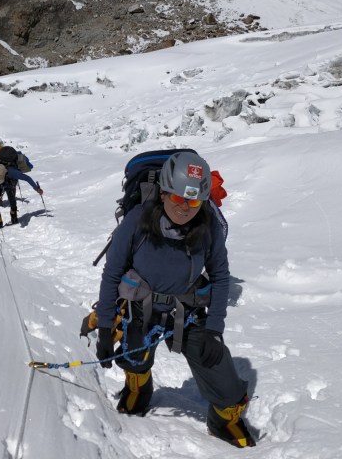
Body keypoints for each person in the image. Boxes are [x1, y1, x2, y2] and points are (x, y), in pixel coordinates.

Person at [94, 151, 255, 448]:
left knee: (224, 377)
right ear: (163, 192)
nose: (184, 207)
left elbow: (220, 276)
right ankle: (138, 388)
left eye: (193, 201)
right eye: (177, 197)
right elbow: (112, 273)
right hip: (141, 309)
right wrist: (106, 326)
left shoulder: (208, 227)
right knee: (134, 357)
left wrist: (214, 329)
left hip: (189, 311)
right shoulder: (137, 220)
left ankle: (225, 418)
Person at [0, 155, 43, 229]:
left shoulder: (12, 172)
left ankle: (3, 221)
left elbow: (27, 178)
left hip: (8, 183)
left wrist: (37, 189)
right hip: (2, 184)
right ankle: (6, 220)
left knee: (7, 201)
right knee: (5, 202)